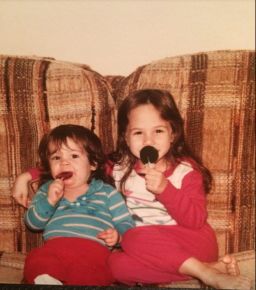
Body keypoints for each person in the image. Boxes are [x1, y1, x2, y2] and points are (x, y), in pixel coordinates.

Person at [12, 90, 252, 290]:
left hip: (192, 241)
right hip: (146, 252)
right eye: (138, 132)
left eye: (158, 131)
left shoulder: (186, 172)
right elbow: (78, 163)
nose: (148, 140)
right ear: (126, 138)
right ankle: (204, 270)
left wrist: (166, 190)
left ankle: (205, 273)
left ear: (173, 133)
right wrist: (28, 176)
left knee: (134, 235)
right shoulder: (119, 167)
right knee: (115, 265)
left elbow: (195, 220)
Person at [21, 124, 135, 286]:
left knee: (93, 271)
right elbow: (32, 223)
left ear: (93, 164)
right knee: (36, 259)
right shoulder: (47, 190)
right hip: (55, 248)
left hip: (94, 252)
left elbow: (126, 223)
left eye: (74, 156)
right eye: (56, 158)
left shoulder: (107, 192)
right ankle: (47, 280)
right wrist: (49, 202)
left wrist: (118, 236)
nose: (64, 163)